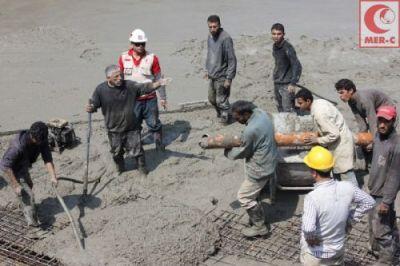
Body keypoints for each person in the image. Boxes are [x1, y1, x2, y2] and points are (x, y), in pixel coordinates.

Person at [86, 65, 169, 175]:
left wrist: (159, 83)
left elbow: (144, 87)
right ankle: (120, 169)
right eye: (116, 77)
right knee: (116, 152)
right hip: (114, 129)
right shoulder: (100, 90)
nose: (120, 78)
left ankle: (142, 169)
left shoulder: (129, 85)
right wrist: (90, 108)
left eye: (120, 75)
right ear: (108, 78)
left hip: (132, 127)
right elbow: (94, 105)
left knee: (137, 151)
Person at [301, 146, 375, 265]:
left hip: (316, 255)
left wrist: (311, 238)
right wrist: (350, 219)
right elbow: (369, 202)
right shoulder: (347, 187)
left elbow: (308, 228)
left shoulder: (312, 197)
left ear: (314, 173)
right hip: (337, 251)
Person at [224, 100, 277, 237]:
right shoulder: (261, 113)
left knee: (244, 197)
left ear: (246, 113)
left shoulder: (251, 130)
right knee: (255, 193)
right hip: (270, 161)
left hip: (259, 169)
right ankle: (258, 213)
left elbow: (243, 152)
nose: (237, 121)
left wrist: (228, 152)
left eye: (238, 118)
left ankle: (260, 227)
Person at [295, 88, 358, 186]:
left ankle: (356, 197)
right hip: (339, 140)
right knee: (337, 173)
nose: (298, 106)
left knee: (346, 172)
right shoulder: (318, 103)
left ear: (308, 101)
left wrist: (317, 140)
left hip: (341, 143)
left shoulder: (319, 113)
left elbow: (334, 134)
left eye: (300, 103)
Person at [0, 121, 58, 226]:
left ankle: (22, 205)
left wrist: (53, 176)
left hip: (23, 166)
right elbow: (5, 166)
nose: (40, 143)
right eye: (38, 141)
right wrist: (15, 185)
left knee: (29, 186)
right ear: (32, 135)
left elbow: (47, 159)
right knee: (28, 196)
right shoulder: (16, 147)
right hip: (11, 170)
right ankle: (33, 226)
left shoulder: (41, 139)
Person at [118, 29, 167, 151]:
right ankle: (137, 145)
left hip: (149, 99)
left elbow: (159, 79)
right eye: (137, 44)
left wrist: (163, 98)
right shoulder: (123, 58)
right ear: (131, 44)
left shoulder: (152, 58)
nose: (140, 46)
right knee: (134, 125)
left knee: (154, 123)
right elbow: (119, 79)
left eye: (143, 44)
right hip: (132, 100)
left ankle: (159, 144)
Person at [368, 105, 400, 264]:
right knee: (385, 224)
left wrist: (387, 202)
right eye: (379, 120)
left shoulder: (396, 145)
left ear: (394, 121)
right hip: (373, 190)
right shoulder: (378, 136)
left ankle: (387, 261)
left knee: (381, 230)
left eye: (386, 121)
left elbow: (395, 176)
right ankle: (381, 251)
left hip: (382, 195)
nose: (381, 125)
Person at [205, 15, 237, 124]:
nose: (212, 29)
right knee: (211, 98)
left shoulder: (226, 39)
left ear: (219, 25)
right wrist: (207, 70)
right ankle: (221, 112)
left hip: (222, 75)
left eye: (215, 27)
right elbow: (210, 54)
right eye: (210, 27)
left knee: (221, 99)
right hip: (212, 74)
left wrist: (229, 78)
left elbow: (232, 59)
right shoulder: (210, 36)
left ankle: (226, 117)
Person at [271, 23, 302, 113]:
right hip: (277, 82)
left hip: (287, 85)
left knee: (288, 110)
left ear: (283, 34)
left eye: (279, 34)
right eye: (274, 34)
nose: (276, 36)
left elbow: (297, 65)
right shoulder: (275, 46)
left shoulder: (288, 48)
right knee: (280, 108)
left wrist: (293, 83)